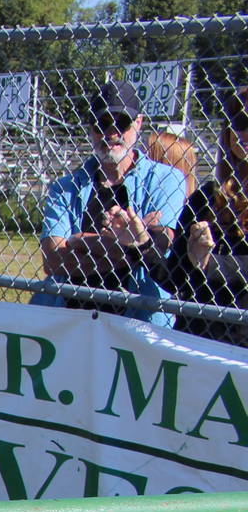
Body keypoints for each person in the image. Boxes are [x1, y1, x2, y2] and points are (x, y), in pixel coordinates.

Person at [41, 79, 188, 327]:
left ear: (138, 123)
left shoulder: (167, 179)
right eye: (102, 123)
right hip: (69, 322)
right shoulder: (65, 187)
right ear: (90, 127)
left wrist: (78, 241)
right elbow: (53, 260)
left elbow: (161, 245)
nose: (112, 133)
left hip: (140, 323)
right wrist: (133, 244)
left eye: (121, 123)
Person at [162, 89, 248, 347]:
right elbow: (173, 277)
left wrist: (209, 262)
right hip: (193, 337)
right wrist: (142, 244)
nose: (243, 132)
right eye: (239, 122)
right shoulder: (206, 197)